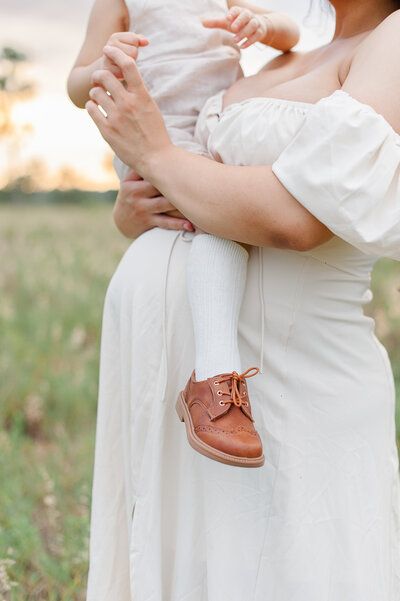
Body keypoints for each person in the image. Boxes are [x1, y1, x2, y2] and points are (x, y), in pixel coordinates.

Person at [84, 0, 400, 599]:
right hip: (184, 398)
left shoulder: (394, 39)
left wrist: (157, 156)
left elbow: (297, 218)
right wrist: (136, 213)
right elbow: (205, 189)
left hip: (290, 390)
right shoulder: (293, 50)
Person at [68, 0, 300, 468]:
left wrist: (264, 25)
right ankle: (216, 377)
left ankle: (213, 383)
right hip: (153, 128)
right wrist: (102, 61)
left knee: (228, 210)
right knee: (219, 220)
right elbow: (75, 85)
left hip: (216, 124)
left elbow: (290, 33)